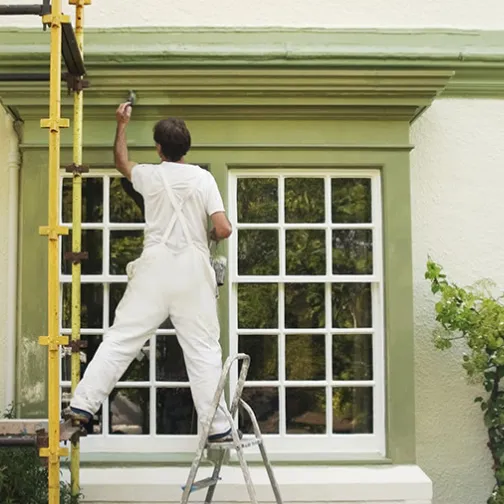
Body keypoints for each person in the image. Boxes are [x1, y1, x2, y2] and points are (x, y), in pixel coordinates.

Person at [64, 102, 234, 442]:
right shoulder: (203, 179)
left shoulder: (151, 175)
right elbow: (223, 228)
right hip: (192, 271)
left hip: (154, 268)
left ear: (159, 148)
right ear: (186, 148)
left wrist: (122, 123)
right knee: (202, 348)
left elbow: (122, 162)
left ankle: (83, 406)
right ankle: (217, 427)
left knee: (122, 338)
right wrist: (210, 235)